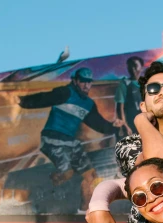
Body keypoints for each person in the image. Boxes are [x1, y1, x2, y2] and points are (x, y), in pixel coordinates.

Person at [18, 67, 122, 205]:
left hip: (70, 141)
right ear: (75, 81)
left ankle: (84, 210)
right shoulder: (65, 92)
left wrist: (114, 127)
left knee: (91, 176)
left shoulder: (88, 104)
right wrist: (22, 101)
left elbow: (98, 124)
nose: (86, 85)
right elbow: (43, 98)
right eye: (83, 82)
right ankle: (43, 189)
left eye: (89, 82)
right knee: (67, 174)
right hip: (52, 139)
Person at [114, 56, 145, 135]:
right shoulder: (124, 84)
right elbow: (120, 107)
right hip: (132, 125)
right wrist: (126, 126)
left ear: (141, 67)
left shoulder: (146, 83)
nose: (133, 69)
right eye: (130, 66)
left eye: (135, 66)